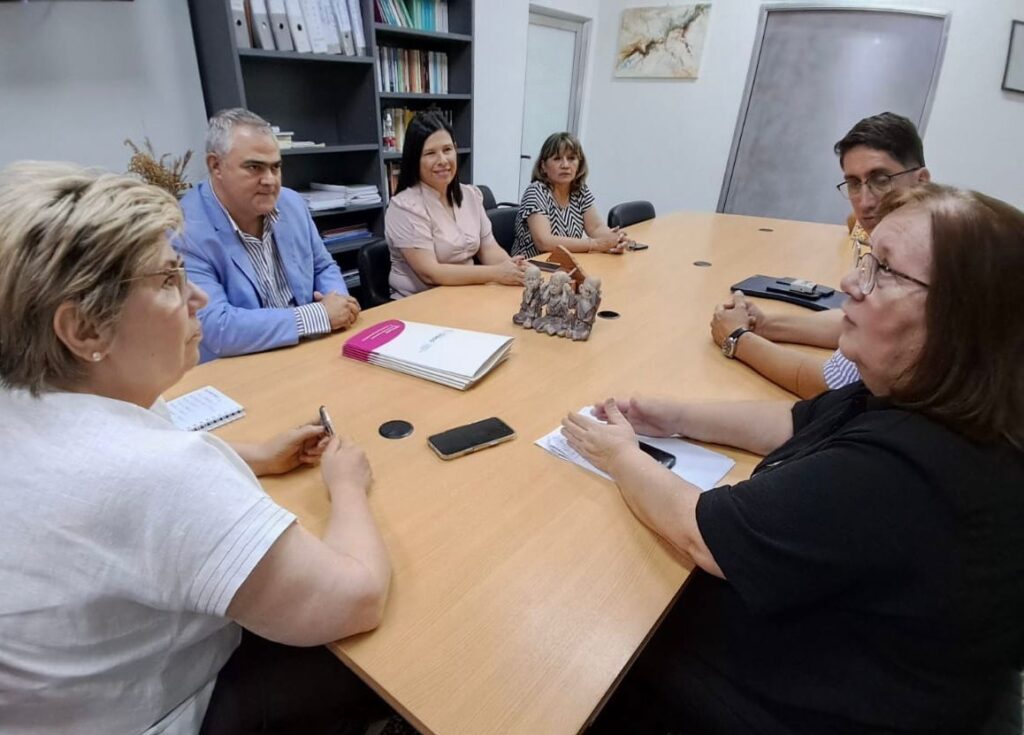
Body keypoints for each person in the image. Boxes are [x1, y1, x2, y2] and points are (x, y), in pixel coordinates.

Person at [565, 183, 1024, 733]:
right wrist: (676, 416)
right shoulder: (926, 393)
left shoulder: (913, 468)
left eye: (884, 271)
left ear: (963, 320)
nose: (850, 284)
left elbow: (701, 534)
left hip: (796, 701)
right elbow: (795, 420)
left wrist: (619, 454)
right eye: (866, 259)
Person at [0, 162, 392, 734]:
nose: (198, 297)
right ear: (84, 330)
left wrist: (257, 455)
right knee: (385, 657)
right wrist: (347, 485)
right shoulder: (159, 474)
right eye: (167, 281)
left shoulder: (29, 398)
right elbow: (357, 598)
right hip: (159, 714)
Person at [710, 111, 931, 398]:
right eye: (854, 183)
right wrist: (764, 325)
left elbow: (831, 386)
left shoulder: (924, 257)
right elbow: (856, 322)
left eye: (881, 179)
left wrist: (737, 338)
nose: (865, 202)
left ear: (921, 181)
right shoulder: (924, 228)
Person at [178, 108, 360, 362]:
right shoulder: (184, 229)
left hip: (308, 350)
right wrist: (319, 316)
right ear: (215, 165)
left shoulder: (292, 203)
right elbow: (215, 327)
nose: (270, 181)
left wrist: (339, 302)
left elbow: (323, 267)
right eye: (254, 167)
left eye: (276, 167)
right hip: (241, 366)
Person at [385, 110, 528, 298]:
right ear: (415, 159)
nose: (443, 160)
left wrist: (513, 268)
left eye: (447, 150)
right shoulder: (404, 207)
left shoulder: (470, 195)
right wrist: (497, 273)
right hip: (420, 302)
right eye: (430, 153)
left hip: (467, 294)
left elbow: (489, 249)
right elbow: (430, 273)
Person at [511, 131, 628, 258]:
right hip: (533, 266)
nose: (565, 165)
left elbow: (595, 227)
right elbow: (544, 242)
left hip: (567, 262)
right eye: (557, 159)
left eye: (571, 158)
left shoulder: (580, 190)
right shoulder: (536, 192)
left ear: (579, 164)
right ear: (543, 166)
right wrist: (595, 244)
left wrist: (613, 240)